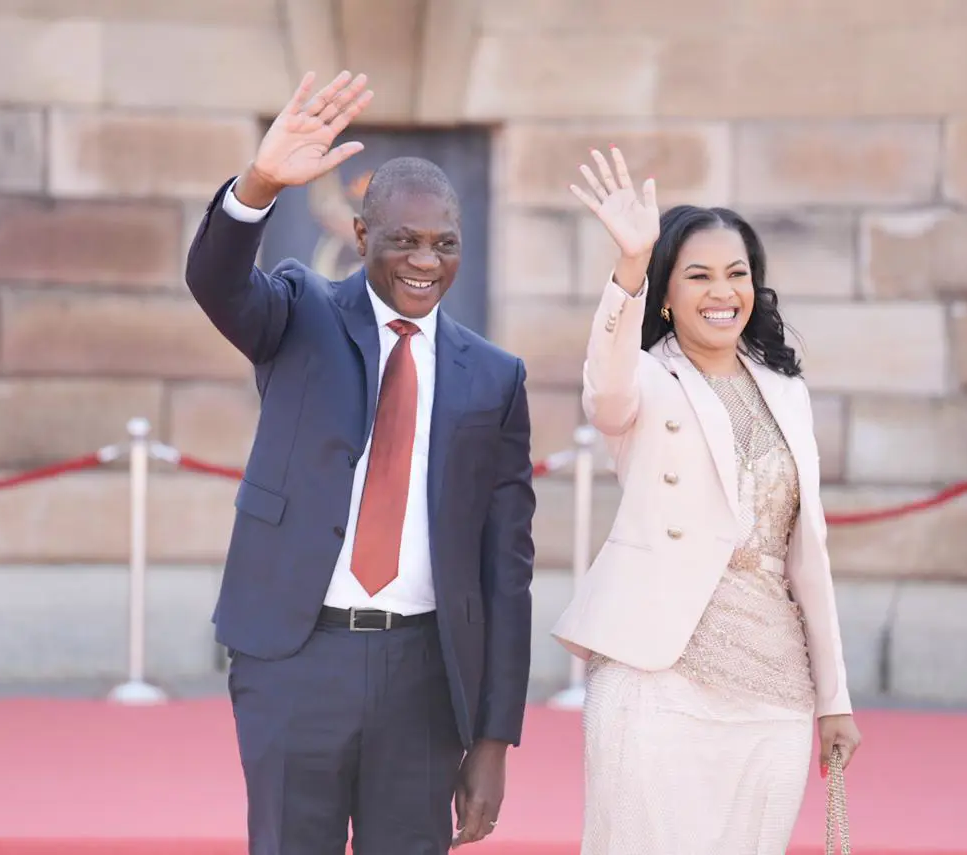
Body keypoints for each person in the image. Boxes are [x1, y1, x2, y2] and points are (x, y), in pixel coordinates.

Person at [185, 70, 536, 855]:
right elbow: (214, 282)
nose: (425, 260)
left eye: (444, 243)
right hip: (294, 657)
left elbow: (506, 570)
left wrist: (493, 738)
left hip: (425, 675)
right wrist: (260, 181)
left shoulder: (494, 377)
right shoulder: (299, 312)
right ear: (360, 234)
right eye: (404, 239)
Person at [551, 147, 862, 854]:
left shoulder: (786, 390)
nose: (722, 291)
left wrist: (833, 699)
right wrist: (630, 264)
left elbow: (808, 557)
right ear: (666, 293)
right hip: (659, 675)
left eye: (736, 273)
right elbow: (605, 394)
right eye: (698, 276)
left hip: (776, 682)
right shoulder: (644, 380)